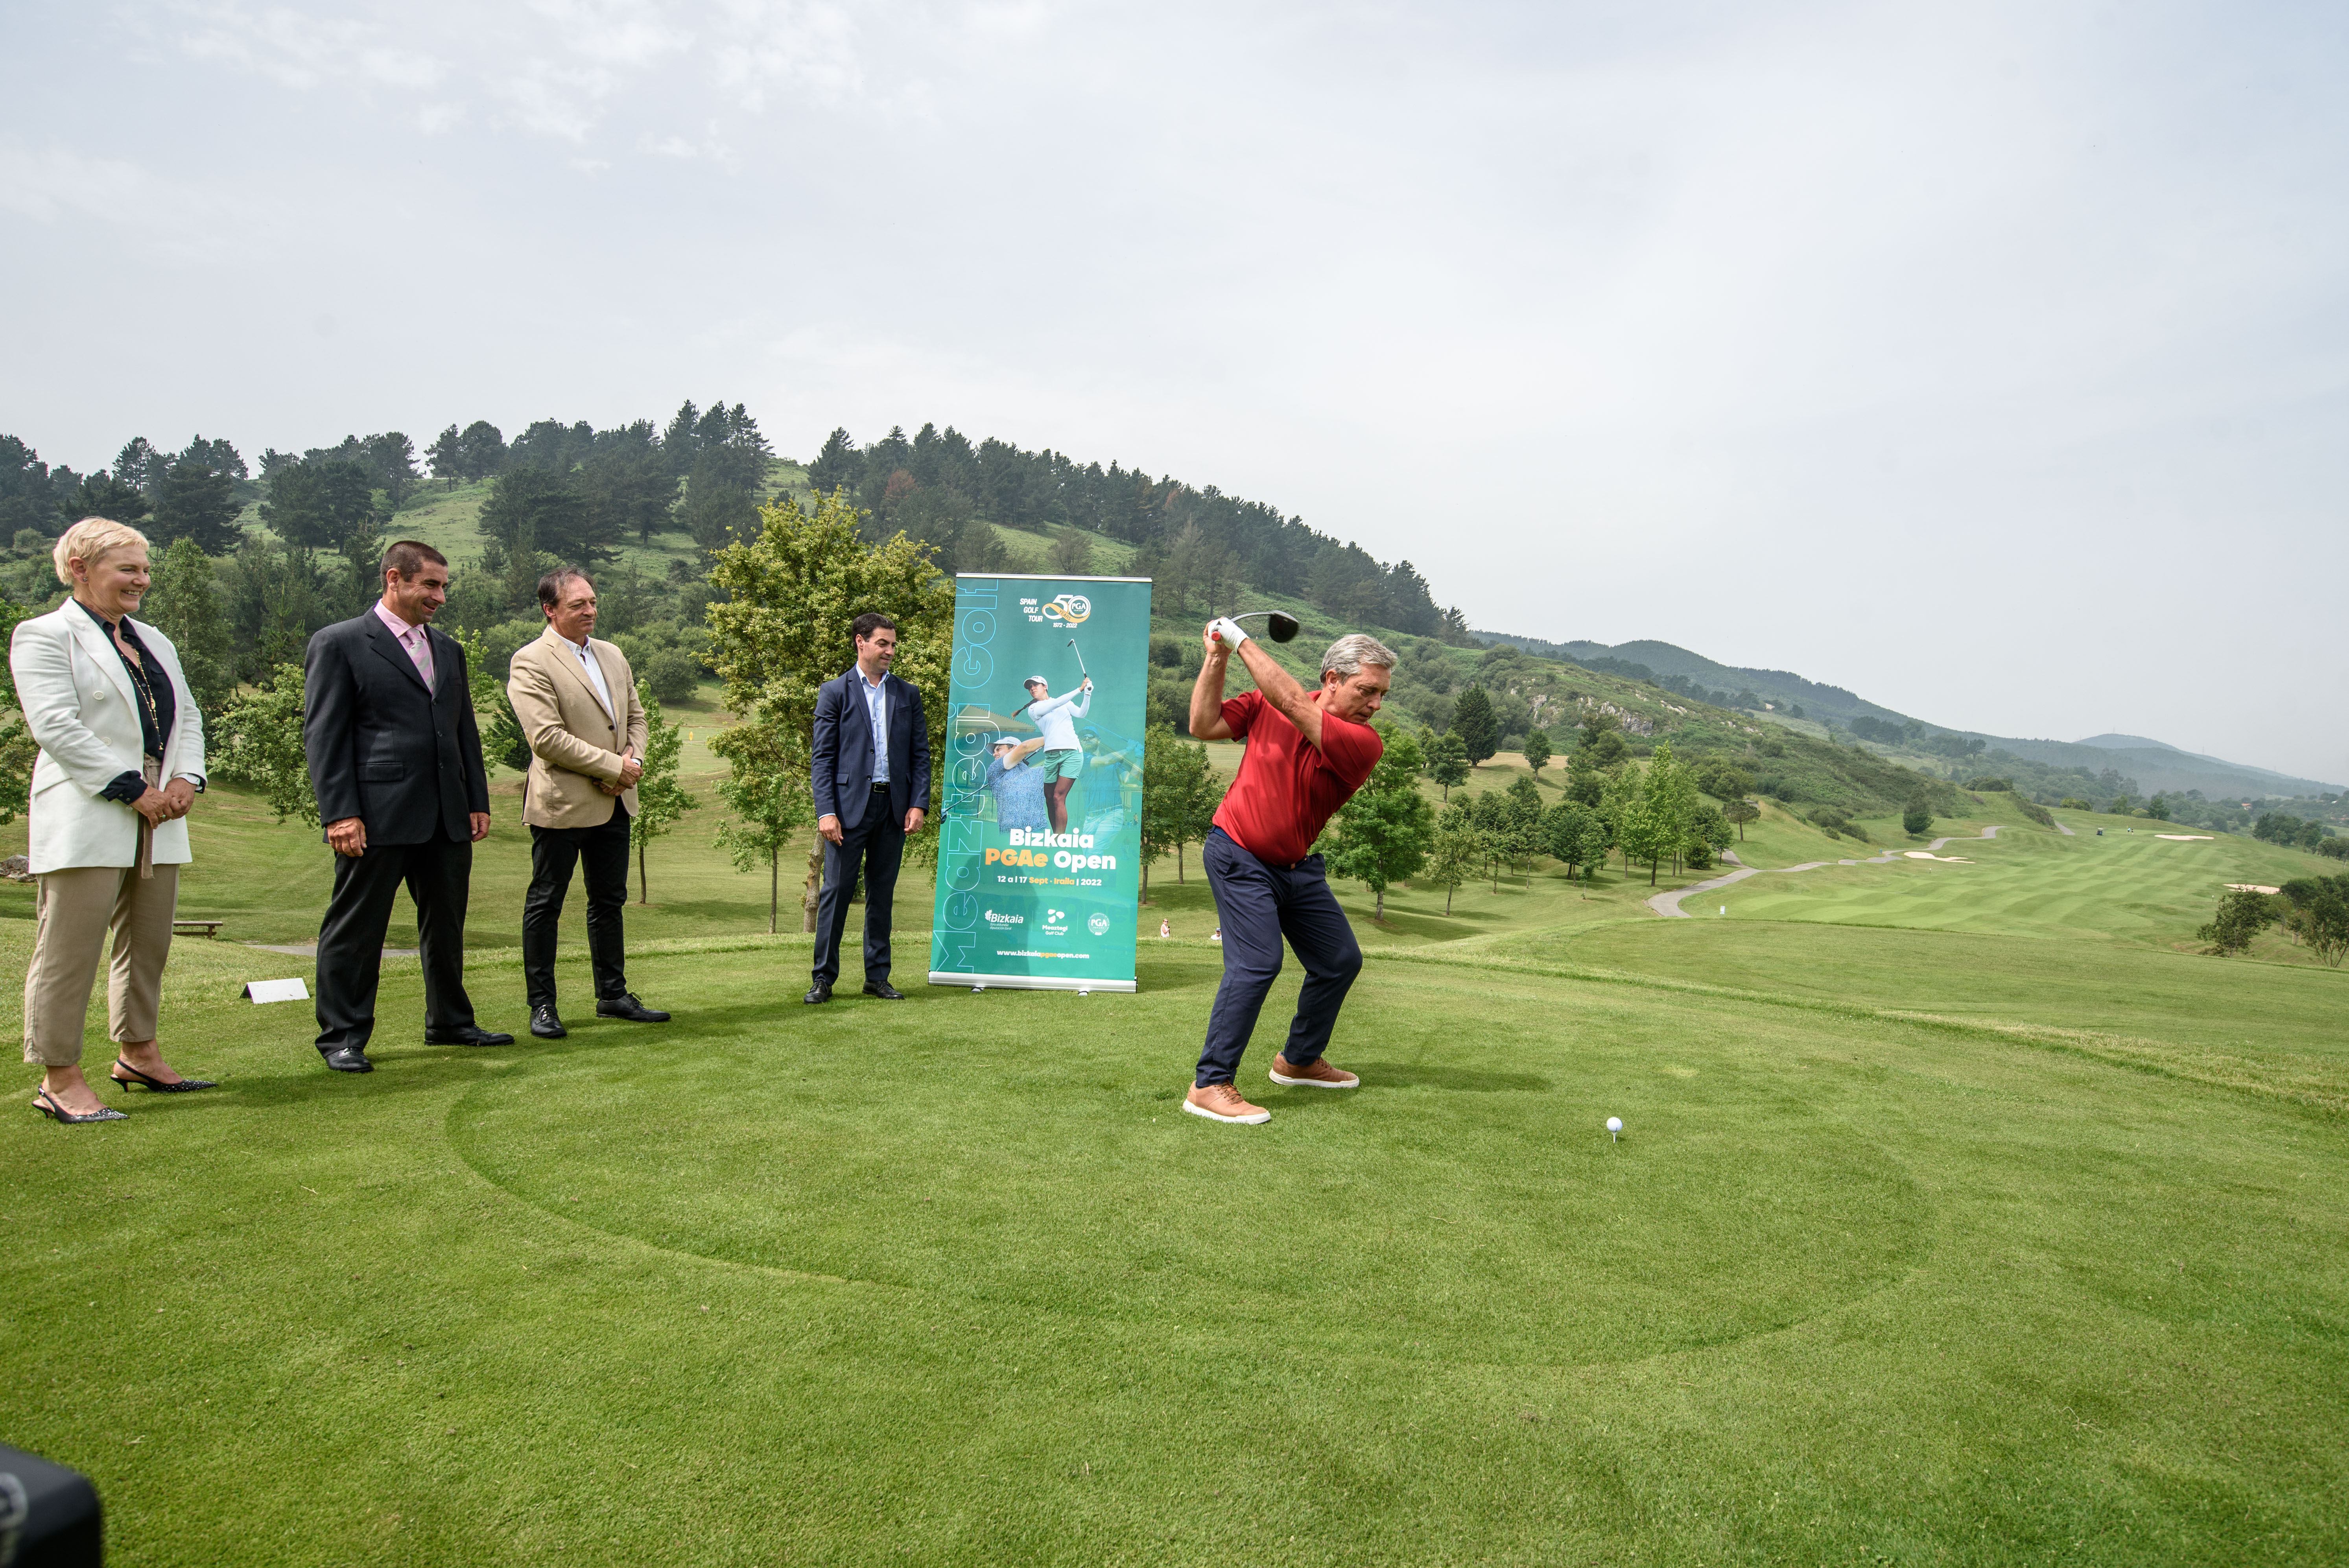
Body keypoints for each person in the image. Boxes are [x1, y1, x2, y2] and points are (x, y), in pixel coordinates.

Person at [13, 518, 214, 1122]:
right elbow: (56, 726)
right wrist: (133, 790)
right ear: (80, 567)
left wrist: (186, 779)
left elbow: (190, 718)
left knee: (149, 943)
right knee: (68, 949)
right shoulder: (45, 635)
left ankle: (139, 1051)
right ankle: (59, 1074)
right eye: (128, 569)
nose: (142, 580)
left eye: (144, 570)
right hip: (90, 810)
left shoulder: (155, 640)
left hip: (161, 814)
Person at [302, 541, 509, 1073]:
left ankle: (450, 1022)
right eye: (431, 585)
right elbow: (325, 736)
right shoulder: (341, 643)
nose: (440, 596)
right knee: (357, 928)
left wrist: (477, 800)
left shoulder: (448, 649)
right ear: (395, 578)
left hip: (447, 812)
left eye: (444, 586)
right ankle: (343, 1037)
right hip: (374, 814)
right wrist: (340, 813)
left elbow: (464, 729)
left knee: (446, 923)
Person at [1180, 623, 1396, 1124]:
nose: (1376, 704)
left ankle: (1297, 1060)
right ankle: (1209, 1084)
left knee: (1339, 960)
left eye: (1382, 694)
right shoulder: (1263, 704)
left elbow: (1297, 707)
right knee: (1257, 963)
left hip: (1297, 868)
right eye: (1368, 690)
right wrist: (1216, 657)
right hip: (1238, 854)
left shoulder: (1363, 743)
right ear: (1333, 679)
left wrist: (1239, 639)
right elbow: (1202, 725)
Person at [505, 567, 668, 1039]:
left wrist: (631, 762)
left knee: (609, 902)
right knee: (546, 903)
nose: (590, 611)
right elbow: (546, 739)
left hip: (616, 802)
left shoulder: (613, 655)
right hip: (563, 803)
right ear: (550, 610)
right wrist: (613, 768)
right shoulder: (531, 660)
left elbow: (636, 718)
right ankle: (542, 1005)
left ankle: (612, 995)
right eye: (578, 605)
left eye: (593, 602)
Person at [807, 612, 930, 1003]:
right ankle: (823, 980)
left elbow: (920, 755)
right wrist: (825, 812)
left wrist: (918, 803)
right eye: (883, 643)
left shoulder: (907, 694)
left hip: (893, 808)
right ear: (860, 643)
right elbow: (822, 759)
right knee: (836, 893)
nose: (890, 651)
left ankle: (877, 977)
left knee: (882, 895)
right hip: (846, 812)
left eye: (893, 644)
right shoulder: (834, 692)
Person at [1020, 674, 1092, 831]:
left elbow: (1081, 714)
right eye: (1030, 687)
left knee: (1059, 797)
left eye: (1036, 685)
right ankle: (1056, 836)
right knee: (1049, 799)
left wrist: (1087, 694)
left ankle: (1060, 839)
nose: (1032, 689)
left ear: (1045, 686)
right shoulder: (1033, 709)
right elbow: (1054, 704)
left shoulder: (1065, 703)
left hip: (1072, 754)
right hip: (1051, 756)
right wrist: (1079, 689)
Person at [980, 732, 1050, 833]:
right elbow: (1024, 747)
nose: (994, 754)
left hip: (1038, 837)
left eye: (999, 749)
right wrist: (1052, 737)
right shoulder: (994, 770)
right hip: (1010, 838)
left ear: (1014, 748)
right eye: (994, 752)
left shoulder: (1038, 773)